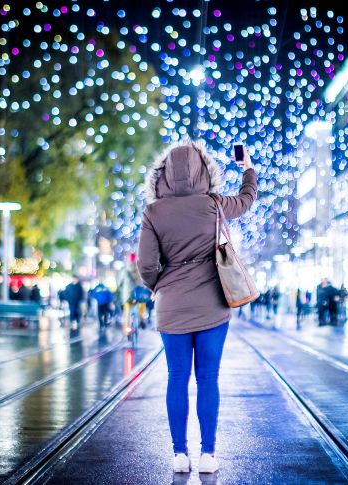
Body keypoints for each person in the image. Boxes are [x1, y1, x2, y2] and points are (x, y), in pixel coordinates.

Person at [137, 140, 257, 474]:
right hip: (213, 306)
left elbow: (146, 265)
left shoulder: (153, 212)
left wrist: (160, 285)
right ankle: (208, 454)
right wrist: (247, 168)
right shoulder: (214, 204)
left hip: (171, 307)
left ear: (162, 175)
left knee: (176, 377)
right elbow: (247, 200)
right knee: (208, 378)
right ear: (205, 171)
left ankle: (179, 454)